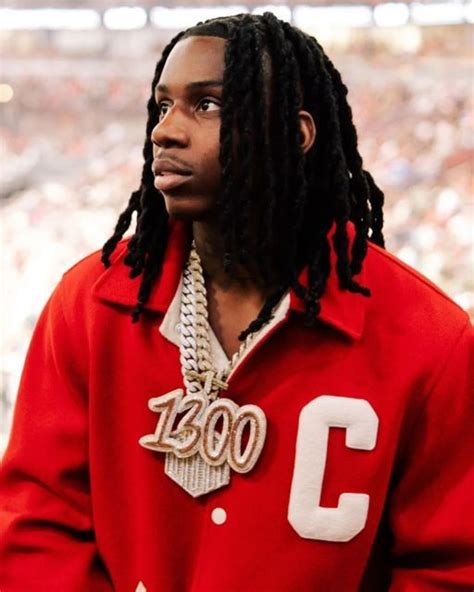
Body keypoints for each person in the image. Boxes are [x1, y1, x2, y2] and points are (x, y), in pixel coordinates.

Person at [0, 12, 472, 592]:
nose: (165, 131)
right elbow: (37, 526)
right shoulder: (89, 304)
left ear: (295, 134)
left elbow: (450, 568)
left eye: (207, 106)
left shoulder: (430, 338)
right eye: (162, 105)